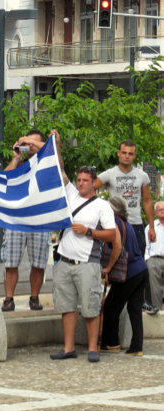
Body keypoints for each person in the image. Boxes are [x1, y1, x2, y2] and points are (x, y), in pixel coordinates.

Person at [50, 166, 116, 363]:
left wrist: (88, 231)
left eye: (85, 180)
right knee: (66, 306)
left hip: (88, 262)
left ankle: (92, 349)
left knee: (90, 307)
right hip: (64, 260)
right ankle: (69, 348)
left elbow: (111, 234)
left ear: (94, 182)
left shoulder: (102, 206)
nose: (81, 183)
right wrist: (57, 143)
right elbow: (60, 168)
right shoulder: (71, 194)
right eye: (79, 180)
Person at [1, 129, 62, 312]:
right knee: (11, 262)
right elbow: (4, 180)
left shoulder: (47, 161)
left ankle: (34, 298)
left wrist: (30, 140)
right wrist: (16, 157)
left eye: (34, 144)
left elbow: (59, 163)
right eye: (28, 144)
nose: (31, 147)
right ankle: (8, 299)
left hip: (39, 217)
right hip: (17, 218)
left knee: (39, 262)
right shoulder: (20, 162)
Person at [95, 141, 158, 313]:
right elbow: (89, 188)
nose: (127, 156)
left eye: (130, 153)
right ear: (118, 153)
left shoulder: (142, 175)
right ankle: (116, 298)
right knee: (116, 261)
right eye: (124, 153)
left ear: (134, 155)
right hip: (115, 224)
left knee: (138, 264)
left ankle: (141, 299)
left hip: (136, 224)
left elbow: (146, 200)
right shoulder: (109, 174)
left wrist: (151, 226)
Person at [101, 197, 148, 356]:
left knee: (110, 307)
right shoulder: (127, 224)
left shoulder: (114, 223)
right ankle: (137, 347)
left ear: (112, 210)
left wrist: (108, 267)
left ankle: (112, 343)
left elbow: (118, 247)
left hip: (129, 272)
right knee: (134, 309)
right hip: (141, 269)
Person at [145, 201, 164, 310]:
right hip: (154, 260)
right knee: (154, 291)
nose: (162, 211)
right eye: (160, 210)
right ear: (155, 213)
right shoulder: (151, 227)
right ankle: (158, 317)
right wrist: (147, 260)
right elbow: (146, 245)